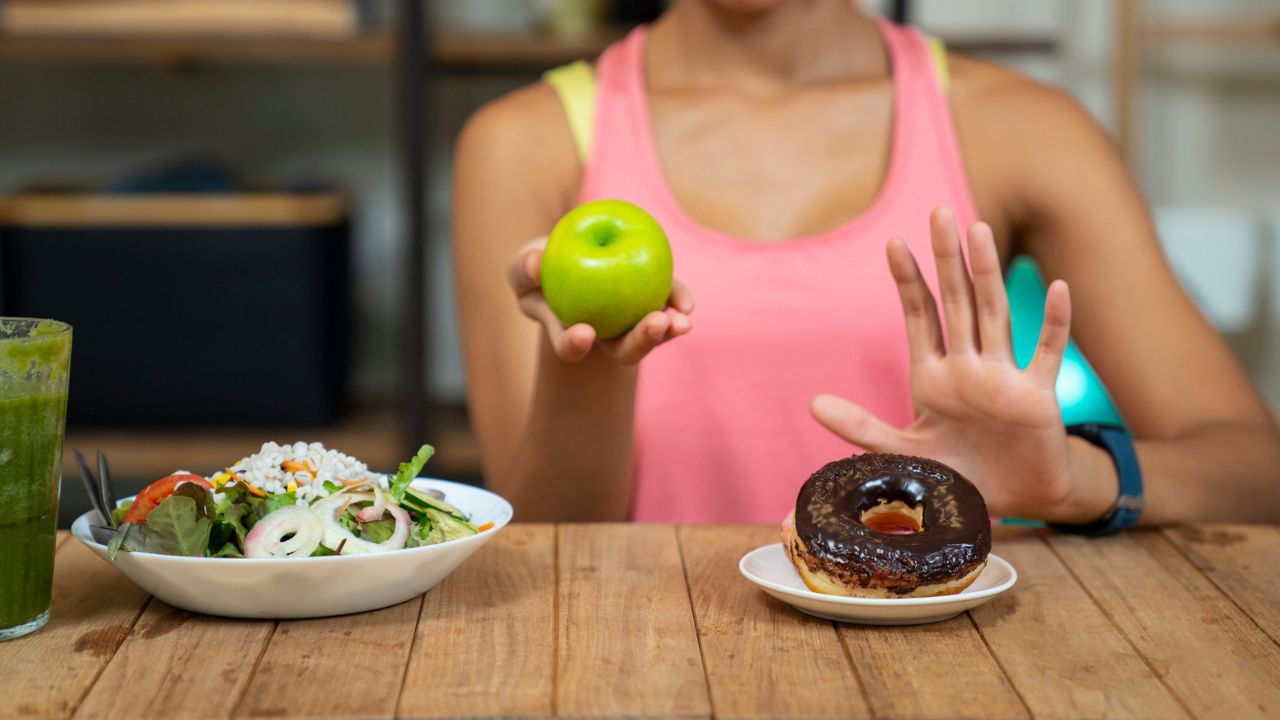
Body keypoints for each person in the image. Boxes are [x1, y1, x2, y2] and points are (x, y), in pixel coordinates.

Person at [451, 0, 1280, 525]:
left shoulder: (1027, 130)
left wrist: (1075, 482)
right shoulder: (523, 146)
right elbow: (539, 546)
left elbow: (1253, 469)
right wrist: (592, 360)